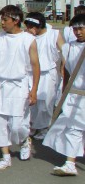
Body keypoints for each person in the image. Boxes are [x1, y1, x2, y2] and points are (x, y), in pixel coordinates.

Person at [0, 5, 40, 169]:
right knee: (0, 123)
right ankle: (5, 156)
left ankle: (24, 140)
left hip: (19, 85)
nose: (2, 22)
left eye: (5, 19)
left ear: (16, 20)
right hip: (1, 84)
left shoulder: (28, 39)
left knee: (17, 125)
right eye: (1, 18)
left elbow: (36, 66)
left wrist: (34, 90)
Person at [42, 13, 85, 176]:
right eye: (75, 29)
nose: (78, 32)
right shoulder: (68, 47)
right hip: (75, 94)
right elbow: (67, 71)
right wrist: (64, 91)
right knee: (73, 128)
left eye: (81, 28)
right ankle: (70, 163)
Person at [24, 12, 64, 140]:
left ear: (40, 25)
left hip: (48, 73)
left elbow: (66, 52)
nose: (29, 30)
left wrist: (64, 67)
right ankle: (33, 126)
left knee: (46, 102)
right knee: (31, 102)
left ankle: (45, 127)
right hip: (31, 73)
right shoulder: (28, 37)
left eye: (31, 27)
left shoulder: (54, 34)